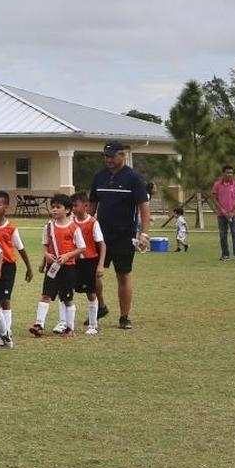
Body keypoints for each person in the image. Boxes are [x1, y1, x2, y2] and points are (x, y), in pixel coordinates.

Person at [88, 141, 149, 330]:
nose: (109, 160)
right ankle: (101, 306)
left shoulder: (133, 178)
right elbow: (92, 207)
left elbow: (143, 208)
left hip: (125, 234)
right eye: (106, 156)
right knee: (93, 273)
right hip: (101, 234)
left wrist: (144, 234)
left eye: (112, 156)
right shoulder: (99, 177)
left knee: (123, 275)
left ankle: (124, 317)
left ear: (122, 156)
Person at [29, 194, 86, 338]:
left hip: (68, 267)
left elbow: (81, 248)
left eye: (58, 207)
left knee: (67, 298)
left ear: (67, 210)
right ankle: (39, 325)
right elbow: (46, 246)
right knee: (46, 295)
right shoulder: (48, 227)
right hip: (52, 267)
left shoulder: (74, 228)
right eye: (53, 207)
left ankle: (70, 328)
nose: (54, 210)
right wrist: (45, 258)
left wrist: (67, 255)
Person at [0, 190, 34, 339]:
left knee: (5, 299)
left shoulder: (11, 228)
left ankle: (7, 331)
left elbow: (21, 249)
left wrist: (29, 268)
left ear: (6, 207)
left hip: (7, 267)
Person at [72, 192, 107, 336]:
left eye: (75, 205)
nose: (73, 208)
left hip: (89, 261)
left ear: (85, 206)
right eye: (71, 205)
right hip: (73, 260)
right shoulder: (70, 222)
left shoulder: (93, 222)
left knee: (91, 293)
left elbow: (102, 245)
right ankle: (66, 323)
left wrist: (100, 265)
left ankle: (93, 324)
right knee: (67, 291)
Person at [211, 165, 235, 262]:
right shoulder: (217, 185)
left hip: (233, 214)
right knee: (223, 235)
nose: (229, 174)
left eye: (231, 173)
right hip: (221, 215)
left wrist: (233, 212)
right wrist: (222, 210)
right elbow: (214, 198)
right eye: (227, 172)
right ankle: (225, 255)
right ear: (223, 173)